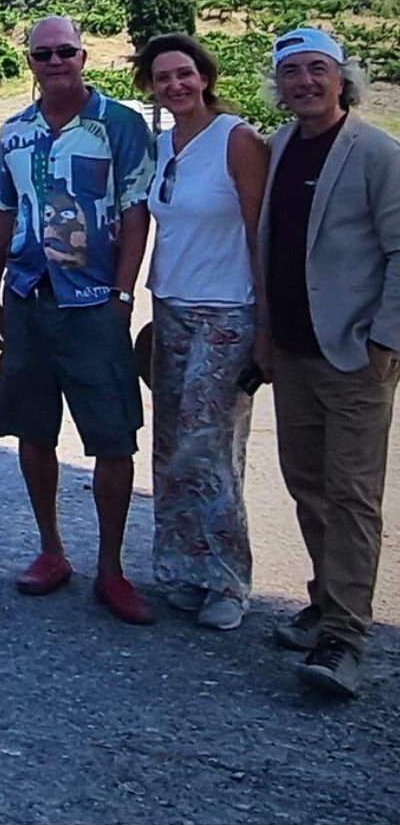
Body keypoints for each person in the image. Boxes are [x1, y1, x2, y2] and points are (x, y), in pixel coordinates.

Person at [0, 16, 154, 623]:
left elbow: (136, 212)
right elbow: (0, 214)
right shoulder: (15, 133)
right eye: (43, 54)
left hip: (95, 300)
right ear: (30, 62)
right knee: (33, 427)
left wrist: (123, 295)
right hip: (29, 295)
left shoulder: (120, 126)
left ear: (84, 57)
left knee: (112, 434)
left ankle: (111, 568)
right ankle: (51, 550)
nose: (54, 63)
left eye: (65, 52)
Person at [257, 27, 400, 699]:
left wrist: (385, 340)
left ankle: (345, 636)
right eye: (291, 71)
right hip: (293, 351)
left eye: (318, 68)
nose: (305, 82)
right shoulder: (280, 146)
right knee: (308, 484)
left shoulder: (376, 153)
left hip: (354, 355)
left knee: (352, 495)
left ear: (344, 78)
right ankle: (324, 601)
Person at [133, 32, 267, 631]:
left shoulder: (236, 139)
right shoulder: (164, 145)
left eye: (184, 73)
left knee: (209, 449)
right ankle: (182, 570)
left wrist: (265, 323)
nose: (175, 85)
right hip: (172, 307)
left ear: (205, 77)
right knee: (170, 447)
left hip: (227, 311)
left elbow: (261, 232)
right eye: (163, 77)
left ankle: (227, 581)